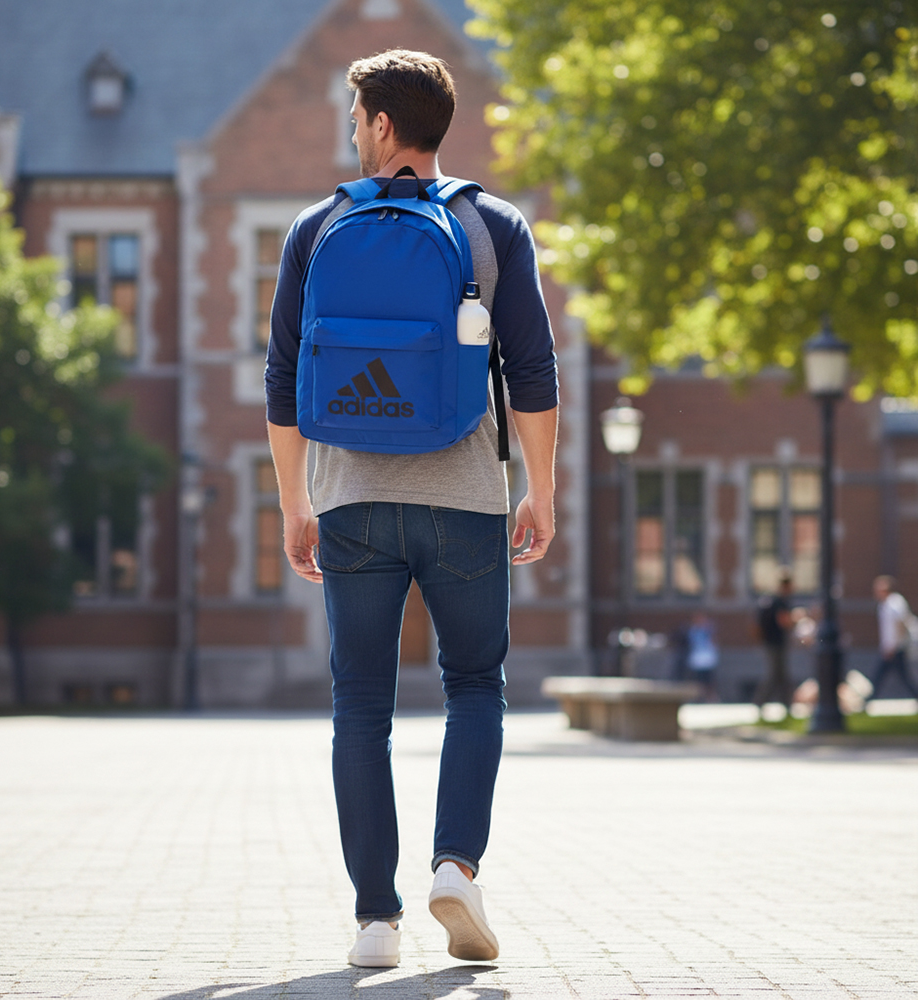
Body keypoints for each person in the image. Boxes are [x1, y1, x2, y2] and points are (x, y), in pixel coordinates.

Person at [265, 50, 558, 968]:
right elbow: (535, 374)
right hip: (465, 497)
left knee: (362, 703)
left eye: (357, 120)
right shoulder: (492, 224)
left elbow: (283, 383)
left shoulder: (316, 227)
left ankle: (374, 923)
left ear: (385, 126)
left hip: (351, 500)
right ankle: (456, 868)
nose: (354, 134)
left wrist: (294, 505)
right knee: (475, 686)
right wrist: (538, 490)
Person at [868, 575, 918, 702]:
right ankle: (869, 698)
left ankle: (868, 699)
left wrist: (893, 645)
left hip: (896, 647)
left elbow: (900, 624)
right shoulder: (883, 605)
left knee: (882, 674)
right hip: (890, 647)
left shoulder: (895, 602)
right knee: (901, 676)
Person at [754, 570, 794, 712]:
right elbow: (784, 622)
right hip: (776, 643)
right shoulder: (780, 602)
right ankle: (760, 703)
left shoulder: (771, 600)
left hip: (770, 642)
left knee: (780, 675)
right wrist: (796, 619)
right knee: (775, 675)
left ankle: (787, 705)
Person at [686, 613, 719, 702]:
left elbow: (713, 642)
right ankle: (698, 697)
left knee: (709, 680)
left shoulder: (708, 629)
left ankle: (711, 697)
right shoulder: (693, 631)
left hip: (708, 659)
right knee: (697, 681)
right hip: (697, 660)